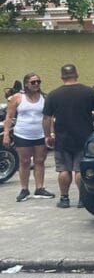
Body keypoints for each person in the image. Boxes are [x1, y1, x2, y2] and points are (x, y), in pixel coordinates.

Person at [42, 64, 94, 208]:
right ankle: (83, 198)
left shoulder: (53, 94)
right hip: (84, 137)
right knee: (79, 169)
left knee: (63, 169)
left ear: (62, 76)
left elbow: (46, 118)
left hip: (62, 138)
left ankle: (64, 198)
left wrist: (47, 135)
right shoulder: (88, 92)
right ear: (77, 74)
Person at [3, 72, 53, 202]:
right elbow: (9, 117)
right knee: (24, 162)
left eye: (38, 81)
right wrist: (6, 134)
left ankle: (40, 188)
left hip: (40, 134)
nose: (36, 84)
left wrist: (51, 134)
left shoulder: (44, 97)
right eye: (33, 82)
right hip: (23, 134)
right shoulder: (18, 98)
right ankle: (24, 189)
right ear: (26, 84)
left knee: (39, 161)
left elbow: (49, 117)